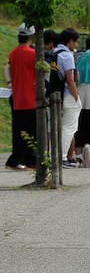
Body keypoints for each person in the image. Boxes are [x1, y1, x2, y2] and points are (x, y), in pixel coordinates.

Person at [5, 23, 37, 170]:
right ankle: (20, 159)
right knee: (31, 131)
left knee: (18, 130)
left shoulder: (12, 53)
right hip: (30, 97)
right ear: (31, 37)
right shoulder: (33, 54)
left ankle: (25, 159)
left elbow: (8, 67)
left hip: (17, 98)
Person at [54, 29, 82, 168]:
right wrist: (76, 97)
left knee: (61, 127)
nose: (76, 44)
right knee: (69, 128)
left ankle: (59, 156)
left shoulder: (54, 52)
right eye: (76, 41)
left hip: (56, 94)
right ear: (70, 41)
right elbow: (71, 80)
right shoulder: (67, 55)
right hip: (67, 94)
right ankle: (63, 157)